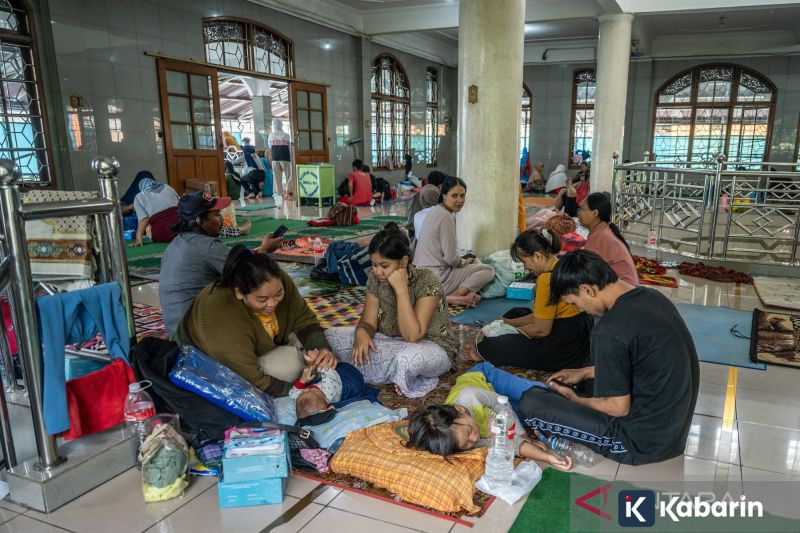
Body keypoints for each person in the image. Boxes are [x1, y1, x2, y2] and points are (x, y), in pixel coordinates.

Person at [517, 250, 699, 465]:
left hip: (638, 444)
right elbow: (643, 363)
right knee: (586, 378)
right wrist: (584, 372)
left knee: (533, 402)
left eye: (575, 303)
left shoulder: (608, 331)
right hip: (672, 434)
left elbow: (618, 407)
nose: (582, 310)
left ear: (587, 289)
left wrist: (577, 401)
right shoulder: (652, 297)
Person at [174, 245, 337, 396]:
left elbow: (303, 318)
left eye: (278, 294)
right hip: (211, 364)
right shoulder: (220, 313)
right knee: (291, 366)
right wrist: (300, 391)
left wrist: (322, 348)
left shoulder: (275, 280)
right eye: (262, 299)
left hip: (260, 348)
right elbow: (251, 378)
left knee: (318, 349)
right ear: (239, 293)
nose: (272, 303)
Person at [324, 224, 456, 397]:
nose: (378, 271)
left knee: (407, 360)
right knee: (330, 337)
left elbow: (412, 336)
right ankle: (395, 373)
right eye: (374, 265)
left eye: (384, 265)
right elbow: (367, 322)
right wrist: (362, 333)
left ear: (403, 262)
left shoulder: (426, 280)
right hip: (391, 342)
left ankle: (401, 373)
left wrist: (401, 289)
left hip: (432, 347)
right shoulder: (375, 278)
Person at [406, 362, 572, 470]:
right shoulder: (460, 441)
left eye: (470, 431)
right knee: (535, 415)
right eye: (467, 444)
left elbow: (502, 405)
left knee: (536, 395)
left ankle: (565, 392)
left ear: (460, 410)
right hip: (494, 411)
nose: (475, 438)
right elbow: (511, 444)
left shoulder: (469, 396)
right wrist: (547, 457)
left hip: (488, 380)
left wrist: (524, 437)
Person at [159, 192, 282, 336]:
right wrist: (265, 251)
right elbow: (253, 274)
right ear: (199, 221)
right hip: (197, 336)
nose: (222, 219)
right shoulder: (208, 246)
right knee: (267, 284)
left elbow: (237, 261)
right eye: (217, 215)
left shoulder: (175, 244)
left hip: (175, 331)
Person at [469, 229, 593, 371]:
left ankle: (483, 352)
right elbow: (541, 317)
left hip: (564, 349)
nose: (525, 267)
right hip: (579, 339)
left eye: (524, 261)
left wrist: (509, 331)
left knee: (496, 343)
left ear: (537, 256)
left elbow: (541, 330)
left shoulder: (546, 279)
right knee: (517, 312)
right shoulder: (561, 265)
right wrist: (508, 322)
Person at [412, 176, 495, 307]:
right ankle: (453, 297)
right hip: (436, 278)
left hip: (420, 278)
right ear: (444, 195)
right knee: (488, 270)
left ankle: (448, 296)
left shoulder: (435, 211)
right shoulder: (446, 217)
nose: (459, 200)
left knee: (476, 262)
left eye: (462, 196)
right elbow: (451, 260)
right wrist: (465, 261)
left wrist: (463, 261)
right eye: (454, 196)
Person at [580, 192, 638, 286]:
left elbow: (586, 271)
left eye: (582, 209)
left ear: (595, 213)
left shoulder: (599, 236)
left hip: (624, 290)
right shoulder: (603, 230)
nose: (579, 213)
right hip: (627, 287)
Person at [132, 177, 179, 246]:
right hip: (180, 226)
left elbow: (144, 219)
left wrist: (138, 238)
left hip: (161, 232)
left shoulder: (139, 197)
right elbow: (181, 204)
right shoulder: (168, 187)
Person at [406, 171, 447, 239]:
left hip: (414, 233)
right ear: (439, 186)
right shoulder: (436, 198)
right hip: (419, 235)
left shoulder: (419, 195)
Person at [269, 119, 293, 199]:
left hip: (275, 158)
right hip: (285, 157)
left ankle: (279, 193)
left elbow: (270, 146)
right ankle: (288, 191)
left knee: (277, 177)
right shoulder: (286, 135)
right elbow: (290, 148)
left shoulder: (271, 135)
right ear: (281, 125)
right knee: (288, 175)